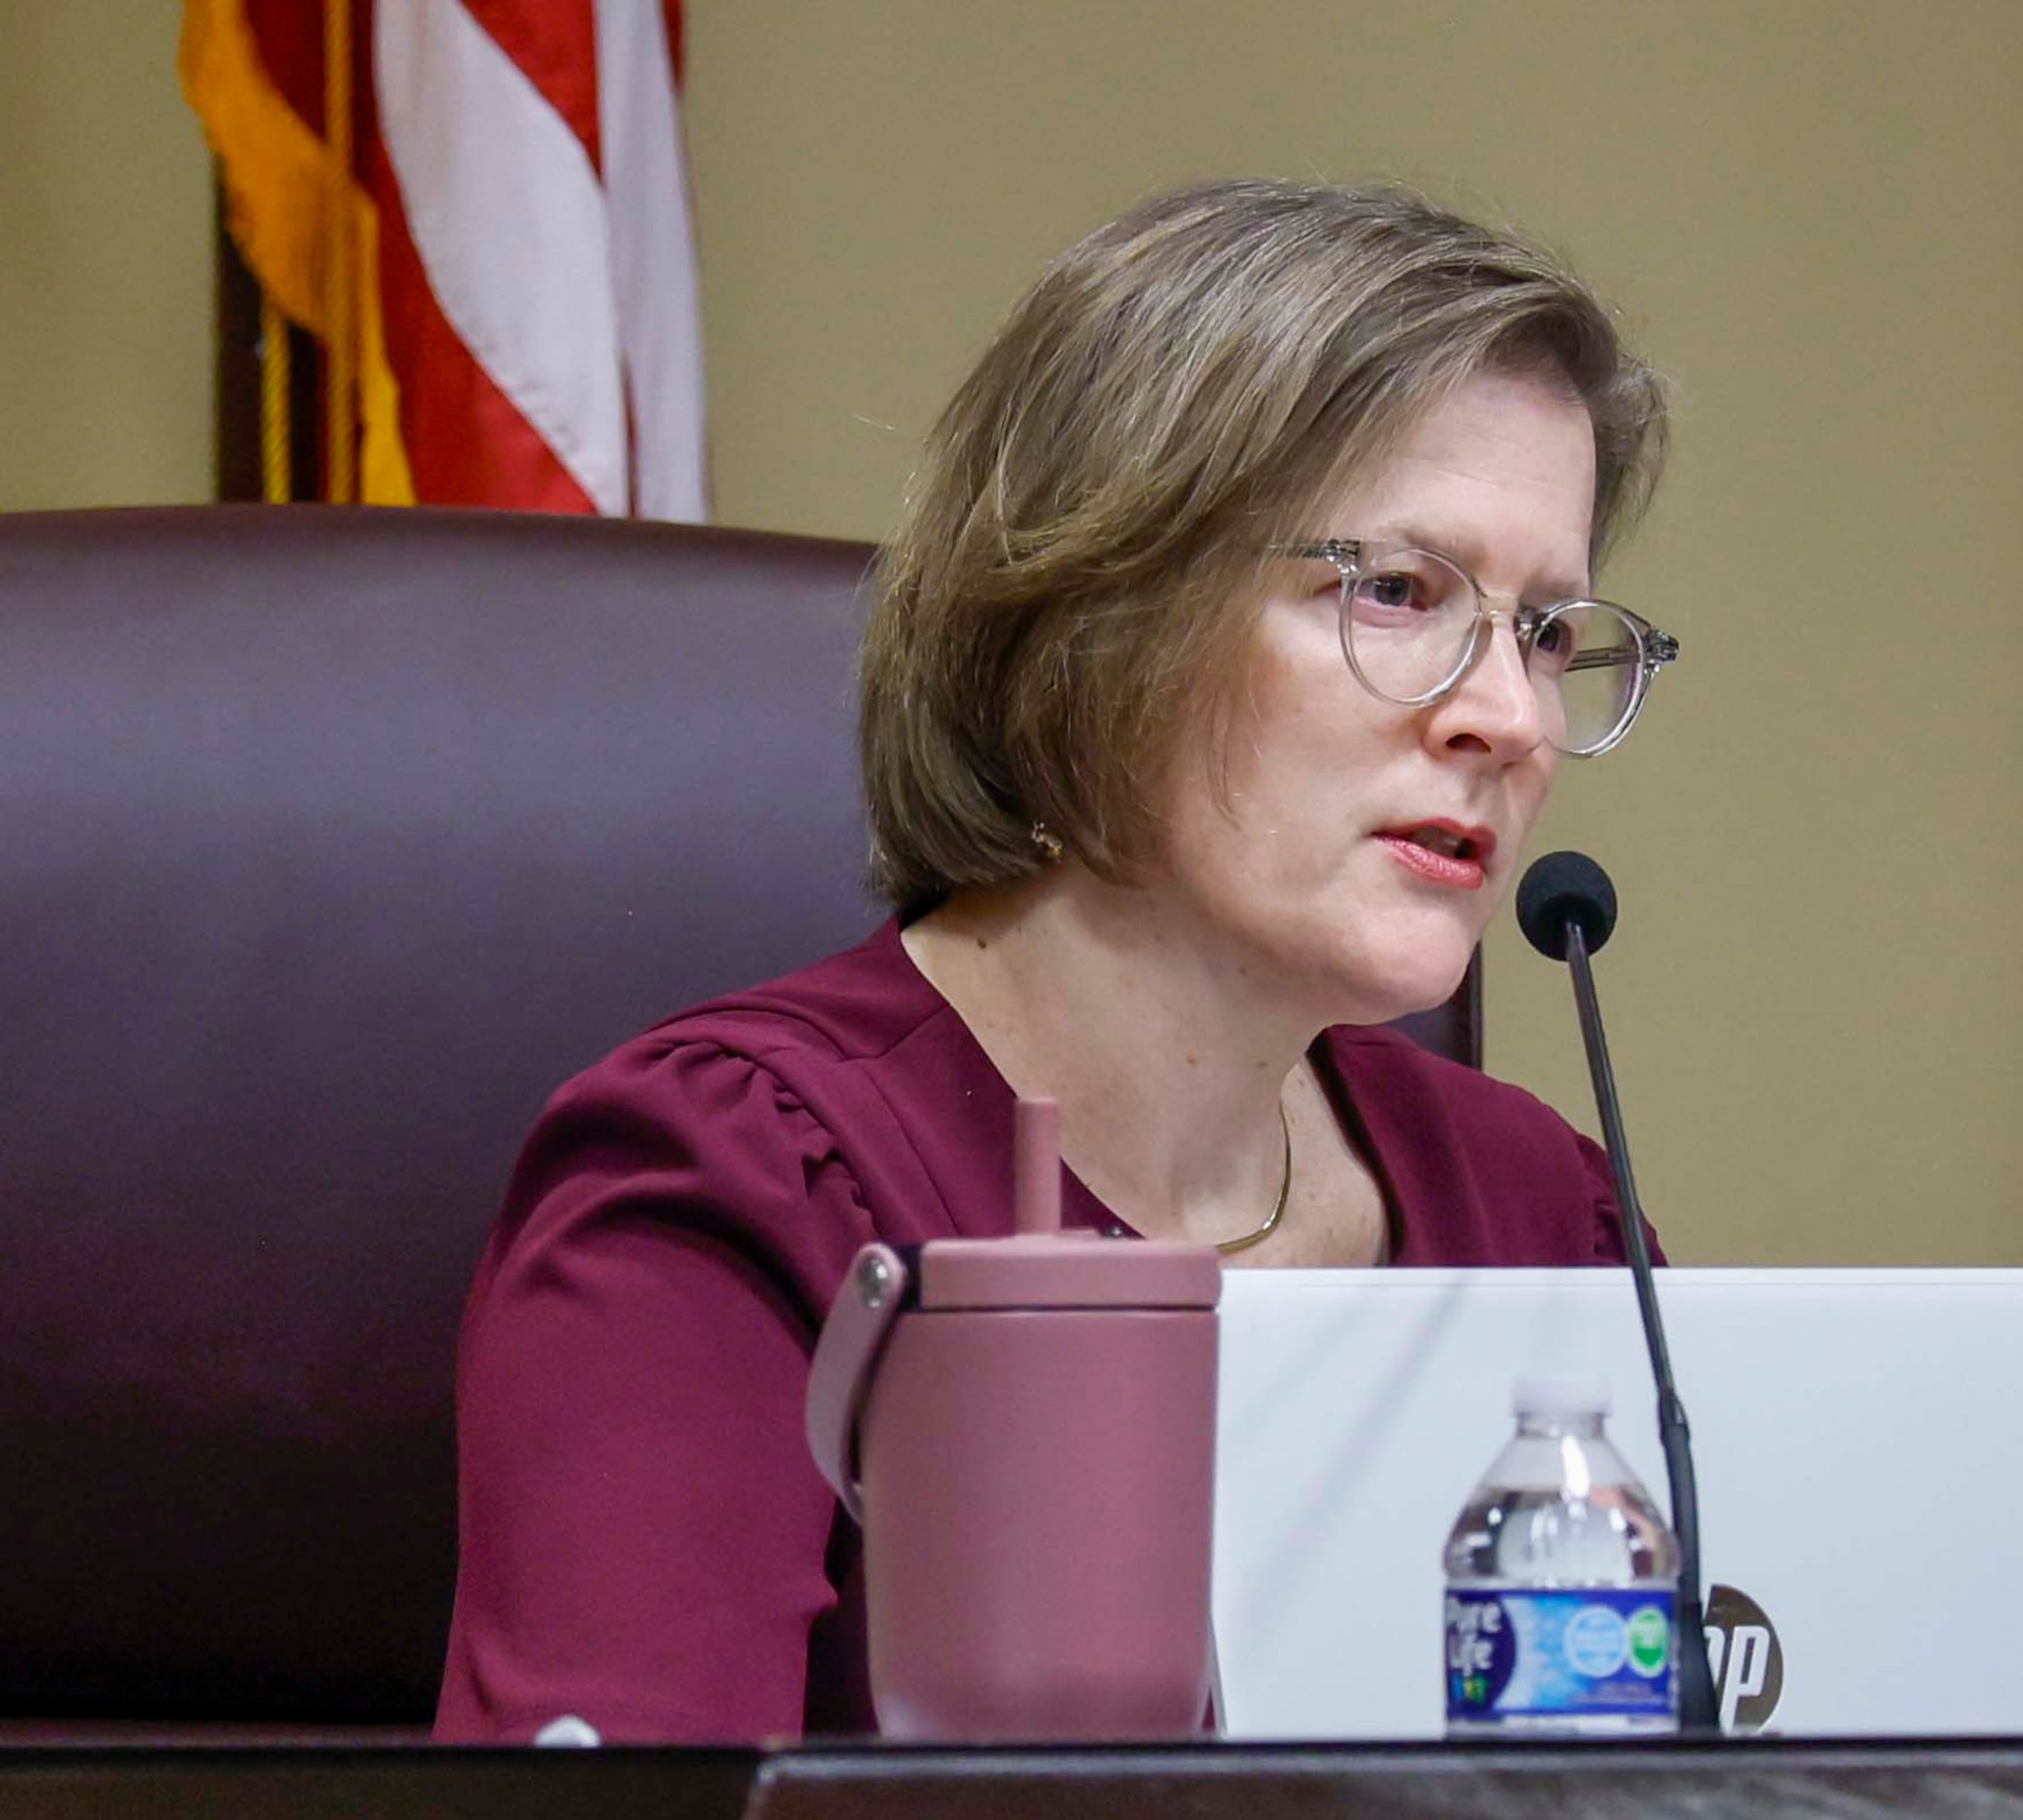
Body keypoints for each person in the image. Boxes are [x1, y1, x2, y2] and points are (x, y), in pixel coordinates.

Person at [435, 179, 1679, 1742]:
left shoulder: (1538, 1214)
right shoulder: (732, 1185)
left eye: (1550, 629)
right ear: (1107, 610)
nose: (1510, 715)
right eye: (1399, 591)